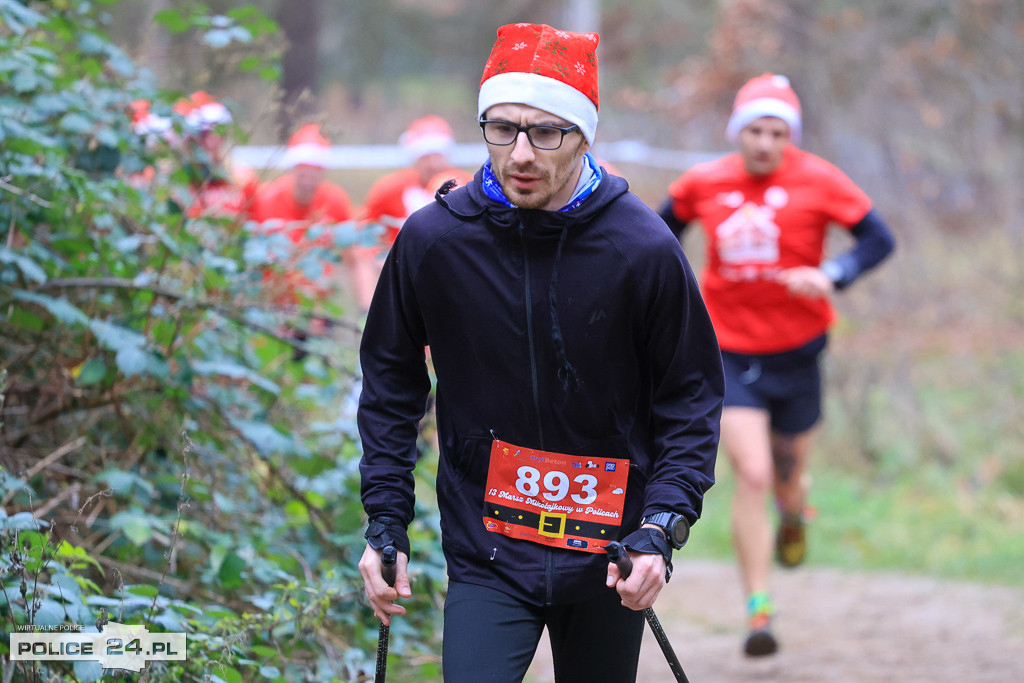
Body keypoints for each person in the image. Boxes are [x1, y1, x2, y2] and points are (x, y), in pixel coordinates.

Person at [357, 22, 724, 682]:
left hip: (608, 552)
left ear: (584, 135)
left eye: (546, 131)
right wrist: (385, 518)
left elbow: (690, 398)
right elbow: (390, 378)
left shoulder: (642, 248)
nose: (521, 152)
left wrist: (662, 527)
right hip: (487, 546)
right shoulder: (435, 242)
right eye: (502, 128)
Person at [658, 73, 896, 657]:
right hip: (728, 351)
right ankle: (758, 609)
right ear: (739, 132)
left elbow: (878, 239)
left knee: (787, 480)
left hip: (798, 352)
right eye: (755, 130)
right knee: (754, 473)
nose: (765, 142)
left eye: (777, 132)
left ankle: (795, 514)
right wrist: (678, 291)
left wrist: (832, 274)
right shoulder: (704, 182)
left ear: (789, 136)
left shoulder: (819, 179)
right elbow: (657, 236)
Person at [346, 115, 464, 311]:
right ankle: (368, 315)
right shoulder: (389, 189)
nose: (433, 163)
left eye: (438, 155)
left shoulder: (464, 186)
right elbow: (361, 233)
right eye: (426, 156)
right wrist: (380, 257)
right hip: (400, 272)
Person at [250, 123, 355, 311]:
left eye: (315, 166)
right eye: (303, 165)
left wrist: (367, 308)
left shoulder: (336, 201)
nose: (309, 173)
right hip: (271, 307)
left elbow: (355, 259)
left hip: (317, 310)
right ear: (292, 165)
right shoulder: (265, 198)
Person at [172, 91, 258, 222]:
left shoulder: (242, 180)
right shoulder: (177, 185)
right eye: (203, 134)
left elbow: (254, 225)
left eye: (217, 133)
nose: (210, 142)